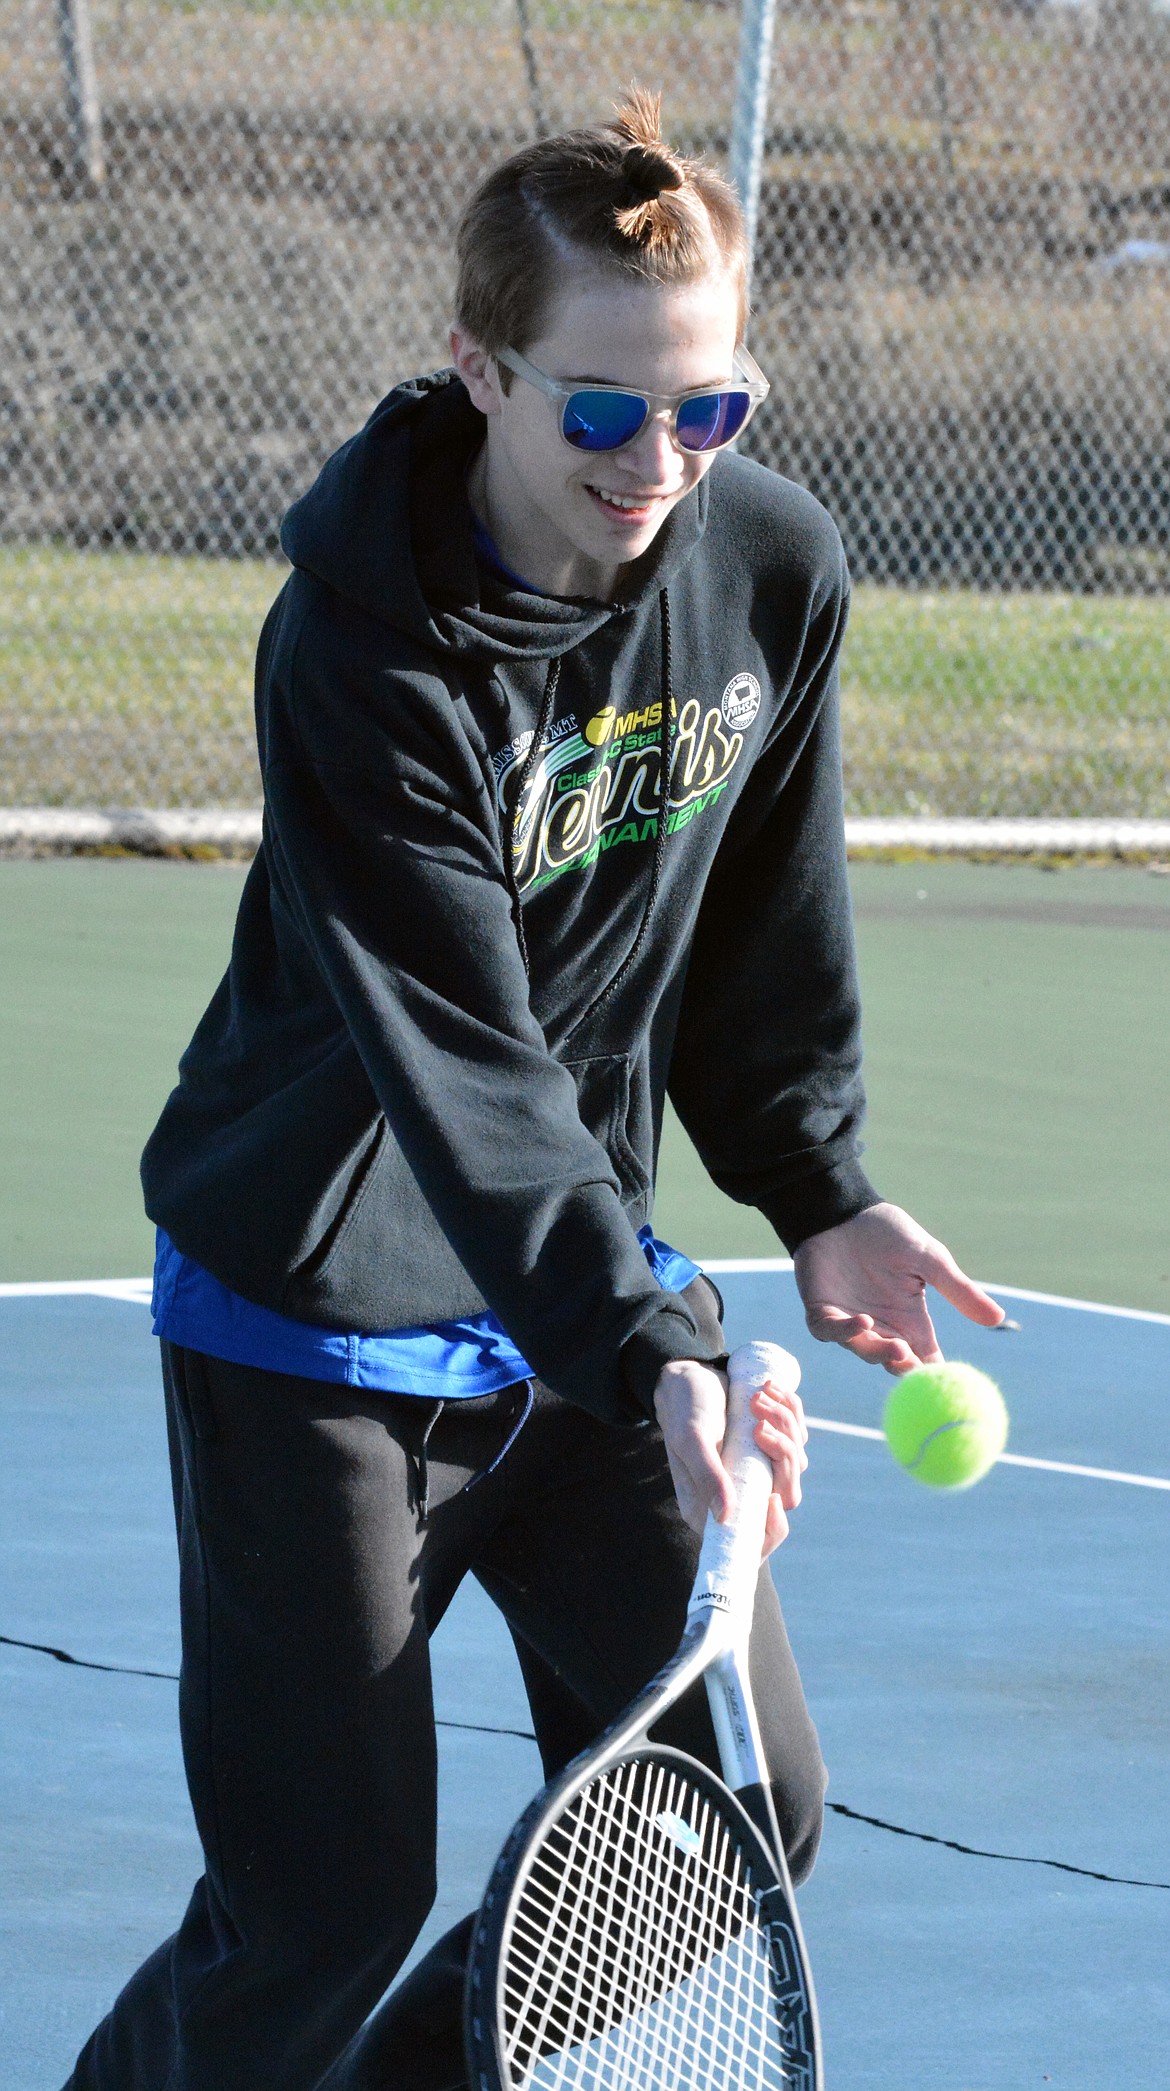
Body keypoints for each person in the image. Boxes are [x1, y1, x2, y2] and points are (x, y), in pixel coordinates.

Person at [63, 89, 1003, 2091]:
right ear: (481, 368)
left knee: (733, 1829)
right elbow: (465, 1064)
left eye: (710, 407)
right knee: (317, 1914)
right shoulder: (360, 654)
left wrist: (814, 1180)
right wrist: (655, 1335)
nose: (658, 462)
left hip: (575, 1310)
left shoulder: (768, 563)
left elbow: (761, 920)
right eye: (600, 412)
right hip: (315, 1333)